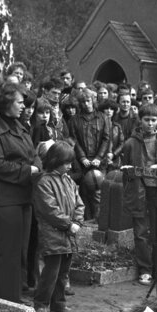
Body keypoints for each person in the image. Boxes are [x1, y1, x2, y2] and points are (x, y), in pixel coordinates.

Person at [0, 83, 41, 303]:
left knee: (20, 251)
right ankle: (6, 299)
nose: (23, 106)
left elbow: (33, 152)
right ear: (6, 103)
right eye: (19, 102)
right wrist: (29, 170)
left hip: (23, 196)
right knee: (8, 252)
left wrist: (35, 165)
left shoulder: (20, 126)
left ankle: (13, 297)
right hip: (4, 199)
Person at [121, 104, 157, 286]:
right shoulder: (130, 143)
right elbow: (126, 171)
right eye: (146, 120)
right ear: (140, 120)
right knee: (141, 231)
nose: (150, 123)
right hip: (139, 190)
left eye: (153, 120)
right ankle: (145, 268)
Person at [32, 141, 83, 312]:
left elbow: (79, 203)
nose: (70, 166)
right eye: (67, 163)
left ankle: (58, 304)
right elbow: (49, 210)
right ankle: (41, 303)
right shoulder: (44, 182)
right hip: (52, 235)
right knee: (50, 273)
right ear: (55, 161)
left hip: (68, 236)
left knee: (63, 273)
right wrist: (69, 225)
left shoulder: (68, 180)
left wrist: (77, 221)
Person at [71, 90, 110, 220]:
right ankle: (86, 220)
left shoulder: (102, 117)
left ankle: (99, 220)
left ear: (93, 101)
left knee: (99, 192)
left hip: (99, 161)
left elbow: (106, 138)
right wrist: (82, 157)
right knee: (84, 192)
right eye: (83, 101)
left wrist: (99, 157)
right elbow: (74, 140)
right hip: (82, 162)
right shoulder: (75, 119)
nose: (86, 104)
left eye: (88, 101)